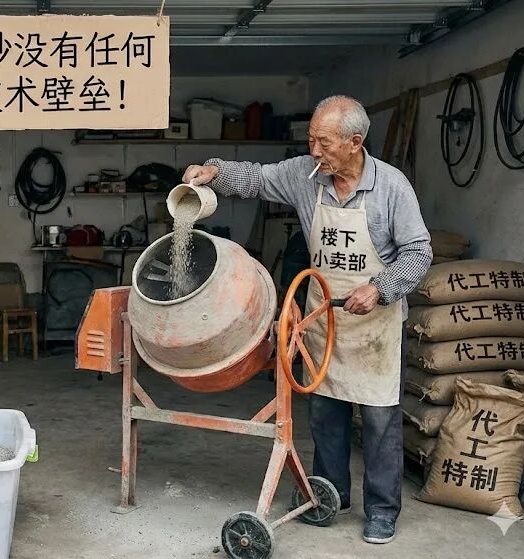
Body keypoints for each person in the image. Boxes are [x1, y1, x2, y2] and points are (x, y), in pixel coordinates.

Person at [183, 95, 432, 544]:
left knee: (380, 422)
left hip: (374, 327)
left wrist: (380, 288)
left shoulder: (392, 187)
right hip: (322, 318)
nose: (315, 150)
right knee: (325, 414)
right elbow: (257, 179)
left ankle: (382, 510)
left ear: (355, 142)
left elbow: (418, 252)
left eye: (324, 142)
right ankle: (330, 496)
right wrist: (214, 171)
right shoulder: (306, 175)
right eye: (311, 140)